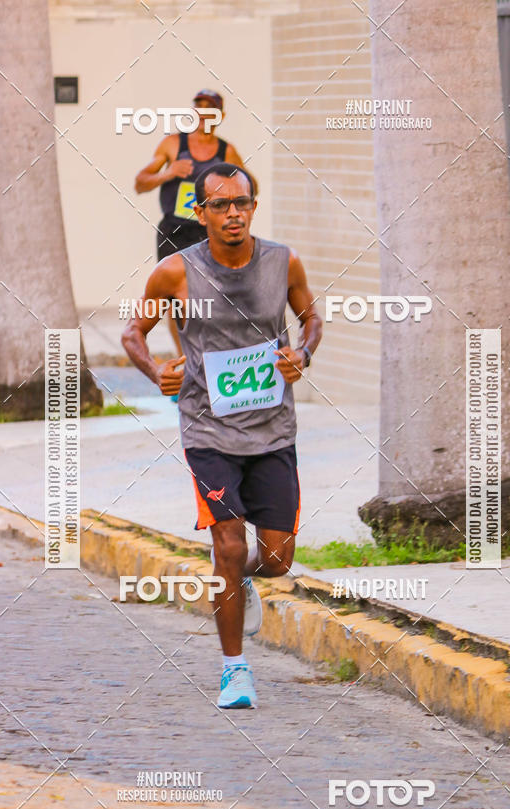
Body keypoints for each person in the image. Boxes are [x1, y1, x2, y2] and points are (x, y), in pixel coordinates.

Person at [122, 162, 322, 709]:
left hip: (273, 429)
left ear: (254, 206)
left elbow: (311, 318)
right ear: (200, 212)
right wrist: (154, 369)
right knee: (228, 544)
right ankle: (235, 671)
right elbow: (133, 331)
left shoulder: (284, 261)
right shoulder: (175, 273)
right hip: (208, 430)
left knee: (277, 558)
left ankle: (241, 579)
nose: (234, 213)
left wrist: (301, 354)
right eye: (221, 205)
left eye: (243, 203)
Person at [134, 89, 258, 361]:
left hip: (209, 232)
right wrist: (169, 173)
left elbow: (251, 186)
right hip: (175, 230)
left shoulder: (227, 151)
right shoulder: (173, 145)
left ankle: (211, 356)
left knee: (214, 296)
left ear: (220, 116)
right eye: (199, 108)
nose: (203, 114)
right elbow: (140, 182)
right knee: (175, 299)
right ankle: (186, 361)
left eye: (210, 109)